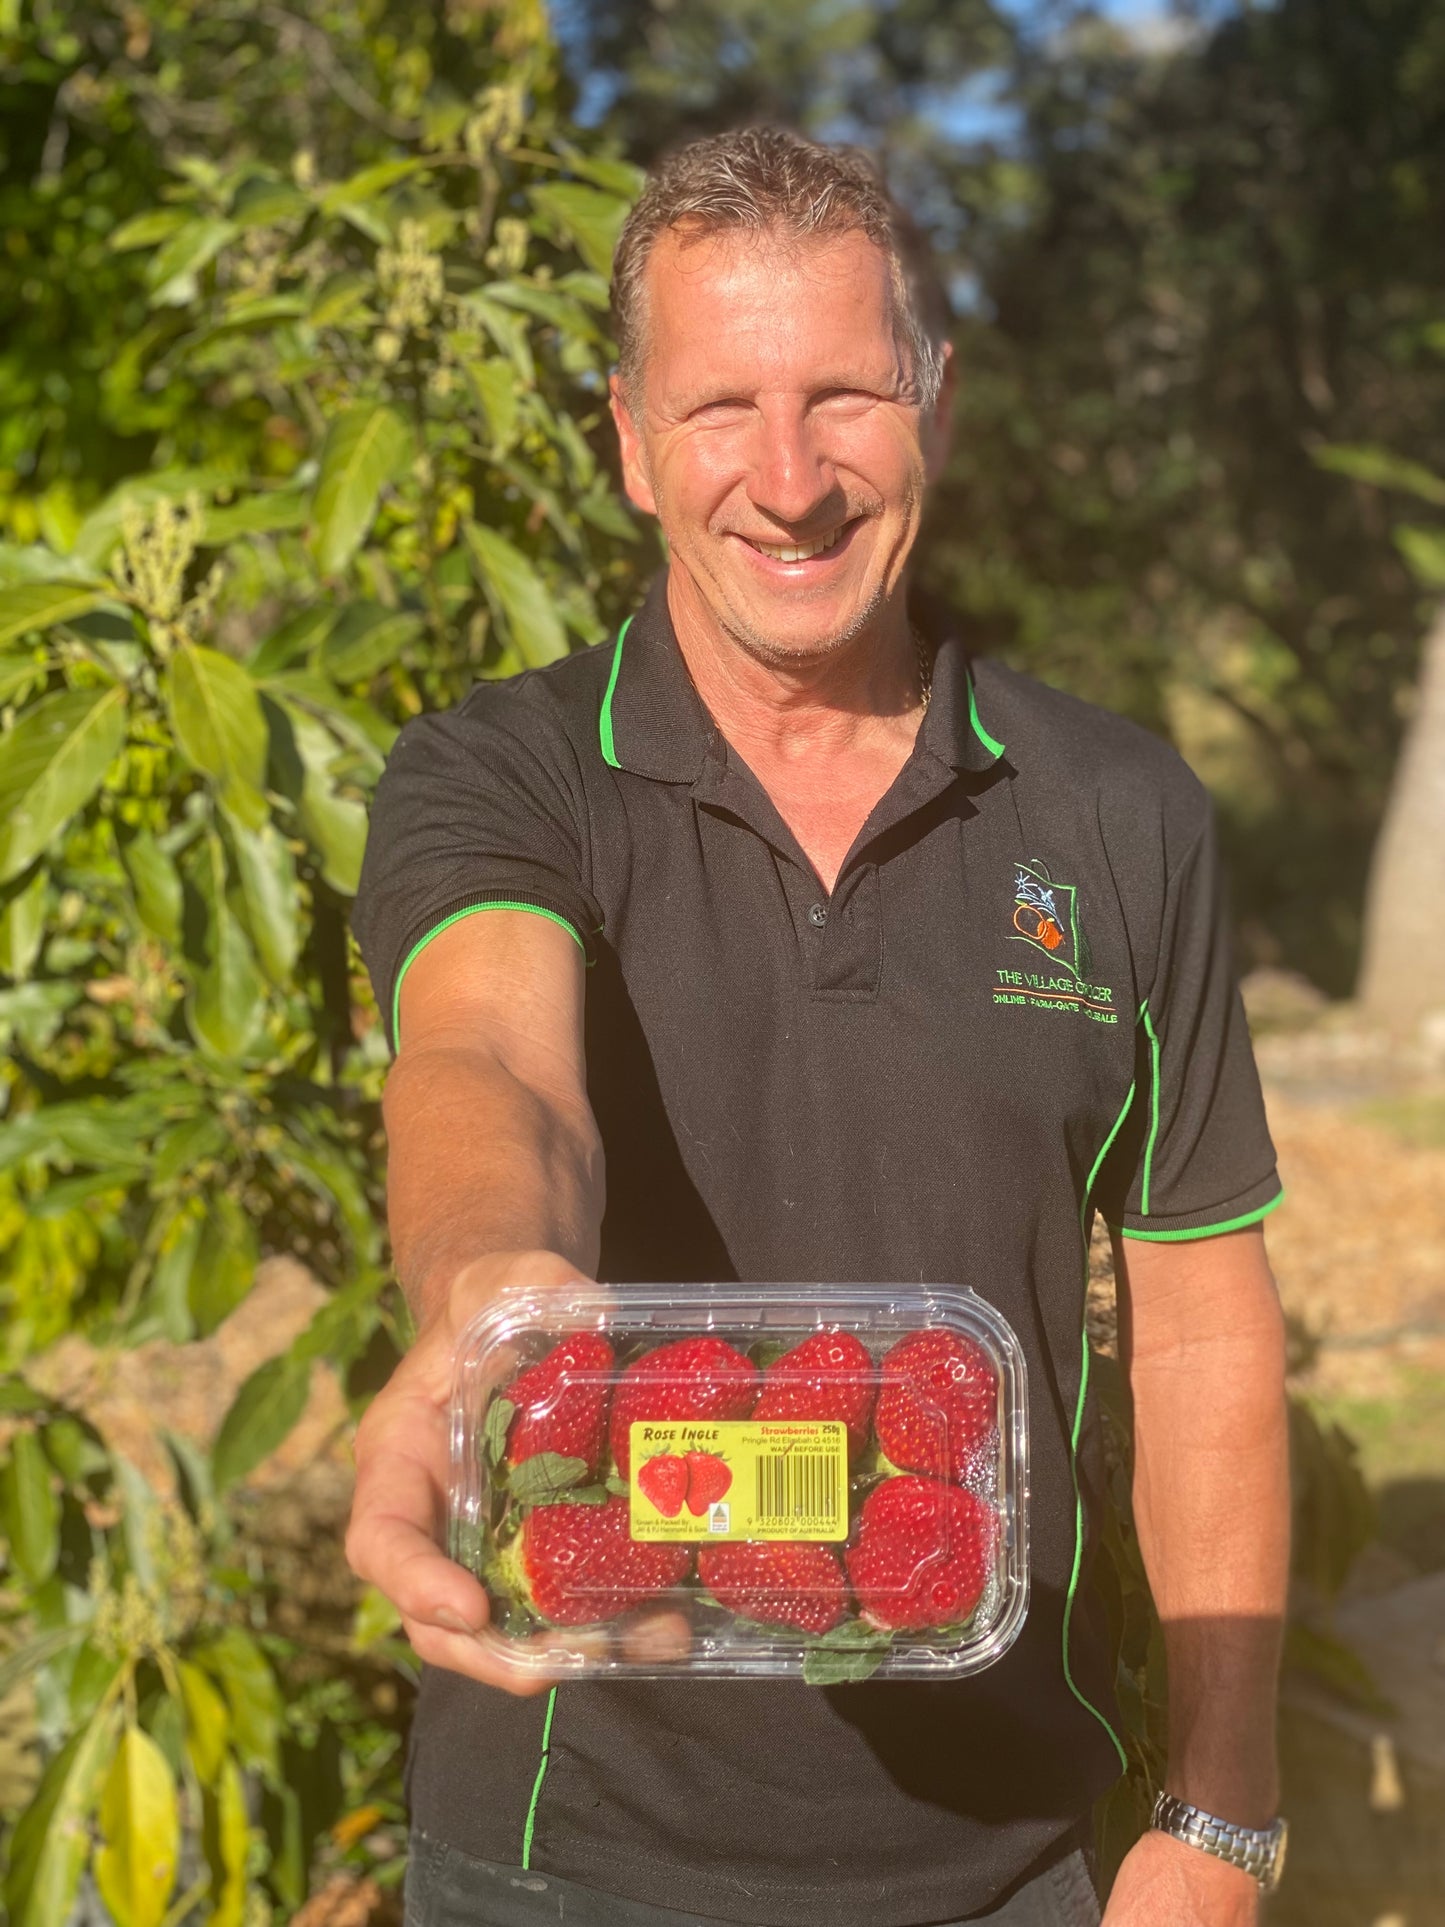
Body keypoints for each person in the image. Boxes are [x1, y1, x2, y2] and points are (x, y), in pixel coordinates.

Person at [347, 126, 1290, 1927]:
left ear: (932, 396)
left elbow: (1195, 1329)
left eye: (844, 393)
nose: (786, 480)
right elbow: (486, 1061)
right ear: (626, 440)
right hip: (565, 1857)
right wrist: (491, 1302)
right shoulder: (506, 775)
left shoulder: (1115, 811)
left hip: (1012, 1859)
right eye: (718, 410)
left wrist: (1222, 1815)